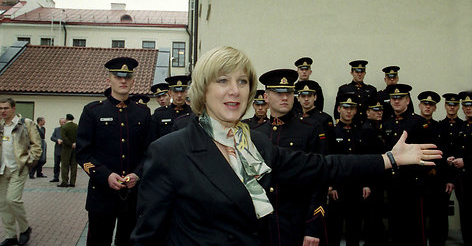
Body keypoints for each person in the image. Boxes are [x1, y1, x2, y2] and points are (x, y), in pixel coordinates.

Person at [130, 46, 441, 246]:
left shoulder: (254, 144)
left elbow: (321, 166)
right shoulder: (170, 151)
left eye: (242, 82)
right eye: (223, 81)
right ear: (203, 88)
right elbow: (147, 238)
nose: (235, 91)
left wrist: (388, 159)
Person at [76, 57, 151, 246]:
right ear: (109, 80)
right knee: (98, 241)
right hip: (101, 194)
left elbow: (149, 152)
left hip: (133, 195)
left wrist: (138, 174)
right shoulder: (93, 111)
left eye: (127, 77)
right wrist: (105, 175)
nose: (123, 81)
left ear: (133, 80)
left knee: (129, 241)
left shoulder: (142, 113)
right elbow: (83, 154)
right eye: (118, 77)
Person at [254, 68, 328, 246]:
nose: (285, 97)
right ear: (266, 97)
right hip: (263, 224)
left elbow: (320, 180)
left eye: (289, 92)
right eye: (278, 93)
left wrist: (313, 227)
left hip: (298, 222)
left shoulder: (310, 129)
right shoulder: (255, 134)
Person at [382, 84, 432, 246]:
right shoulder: (387, 123)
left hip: (413, 181)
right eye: (393, 99)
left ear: (408, 101)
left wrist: (423, 176)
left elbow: (427, 149)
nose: (396, 102)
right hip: (393, 181)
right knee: (396, 223)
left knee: (416, 225)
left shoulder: (418, 122)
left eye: (400, 98)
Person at [0, 97, 42, 246]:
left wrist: (28, 162)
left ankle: (25, 229)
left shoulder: (26, 124)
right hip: (2, 169)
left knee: (13, 199)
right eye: (0, 108)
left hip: (18, 168)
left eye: (5, 108)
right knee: (3, 203)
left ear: (13, 108)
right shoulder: (0, 125)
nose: (3, 111)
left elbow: (37, 146)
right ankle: (11, 235)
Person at [327, 93, 368, 246]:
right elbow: (329, 159)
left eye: (352, 108)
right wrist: (331, 186)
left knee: (355, 225)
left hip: (356, 185)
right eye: (345, 108)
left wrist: (366, 184)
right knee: (334, 226)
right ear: (339, 109)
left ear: (356, 111)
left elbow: (364, 160)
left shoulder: (360, 132)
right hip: (338, 186)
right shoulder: (332, 131)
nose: (348, 111)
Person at [417, 91, 453, 246]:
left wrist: (447, 178)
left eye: (430, 105)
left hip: (437, 178)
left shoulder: (441, 128)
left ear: (435, 108)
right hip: (419, 178)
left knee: (437, 216)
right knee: (420, 218)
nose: (427, 107)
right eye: (425, 104)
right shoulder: (412, 125)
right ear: (419, 106)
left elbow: (445, 153)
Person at [361, 96, 387, 246]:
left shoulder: (378, 128)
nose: (379, 112)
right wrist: (367, 183)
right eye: (375, 110)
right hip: (371, 178)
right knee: (371, 213)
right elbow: (366, 159)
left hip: (379, 176)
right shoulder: (367, 130)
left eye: (381, 109)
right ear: (367, 112)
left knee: (376, 211)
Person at [448, 91, 472, 245]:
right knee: (465, 212)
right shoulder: (463, 126)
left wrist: (466, 162)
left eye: (471, 106)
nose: (468, 109)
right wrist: (453, 158)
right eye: (465, 106)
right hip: (463, 178)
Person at [295, 79, 335, 151]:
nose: (306, 99)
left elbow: (330, 146)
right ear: (298, 98)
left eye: (309, 96)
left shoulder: (325, 119)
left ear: (315, 97)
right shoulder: (295, 119)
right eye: (303, 96)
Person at [149, 75, 192, 141]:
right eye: (176, 92)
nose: (179, 95)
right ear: (170, 93)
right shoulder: (160, 114)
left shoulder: (193, 112)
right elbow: (153, 139)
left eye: (182, 91)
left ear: (187, 92)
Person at [334, 60, 377, 125]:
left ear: (365, 73)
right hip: (351, 126)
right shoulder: (344, 89)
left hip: (367, 126)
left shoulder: (371, 90)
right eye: (357, 72)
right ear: (351, 73)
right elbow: (337, 110)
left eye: (362, 72)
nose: (360, 74)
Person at [57, 114, 78, 187]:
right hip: (75, 149)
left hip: (66, 149)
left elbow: (64, 138)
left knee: (65, 166)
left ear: (66, 119)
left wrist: (70, 144)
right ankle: (72, 182)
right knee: (74, 166)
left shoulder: (64, 127)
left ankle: (65, 182)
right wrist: (75, 143)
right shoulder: (77, 126)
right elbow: (80, 136)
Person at [49, 117, 66, 182]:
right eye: (62, 122)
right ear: (60, 123)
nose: (63, 123)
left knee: (64, 165)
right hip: (58, 149)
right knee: (56, 164)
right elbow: (52, 137)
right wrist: (57, 140)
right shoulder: (56, 130)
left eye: (64, 122)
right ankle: (56, 177)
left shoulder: (68, 129)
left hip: (65, 150)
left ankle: (64, 178)